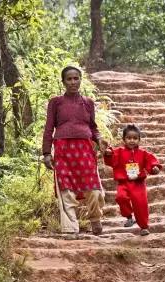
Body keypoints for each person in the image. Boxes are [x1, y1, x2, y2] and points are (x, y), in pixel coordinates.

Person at [42, 66, 108, 239]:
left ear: (80, 80)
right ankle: (70, 228)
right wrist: (47, 152)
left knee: (92, 187)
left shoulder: (88, 102)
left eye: (76, 78)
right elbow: (49, 128)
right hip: (63, 151)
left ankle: (95, 218)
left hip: (85, 150)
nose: (73, 82)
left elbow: (93, 127)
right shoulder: (55, 102)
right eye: (69, 79)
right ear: (63, 82)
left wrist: (99, 139)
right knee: (66, 189)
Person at [104, 124, 162, 236]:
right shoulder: (119, 152)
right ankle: (129, 216)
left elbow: (151, 161)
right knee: (121, 197)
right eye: (129, 138)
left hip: (138, 183)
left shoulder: (143, 153)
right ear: (123, 139)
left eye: (135, 138)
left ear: (139, 140)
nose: (132, 141)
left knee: (141, 205)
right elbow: (110, 159)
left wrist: (155, 167)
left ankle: (144, 227)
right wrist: (108, 153)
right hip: (123, 182)